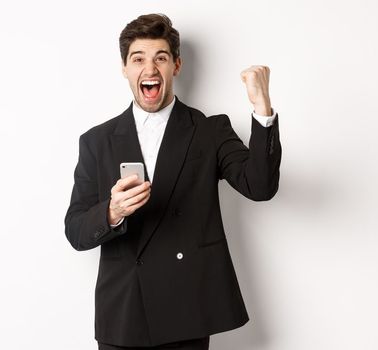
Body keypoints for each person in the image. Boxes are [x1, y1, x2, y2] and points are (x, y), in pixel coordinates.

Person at [64, 13, 282, 350]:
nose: (150, 69)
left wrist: (261, 108)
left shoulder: (210, 130)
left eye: (160, 58)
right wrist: (112, 211)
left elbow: (260, 186)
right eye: (138, 59)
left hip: (187, 311)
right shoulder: (96, 141)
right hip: (123, 315)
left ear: (176, 66)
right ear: (125, 68)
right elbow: (76, 231)